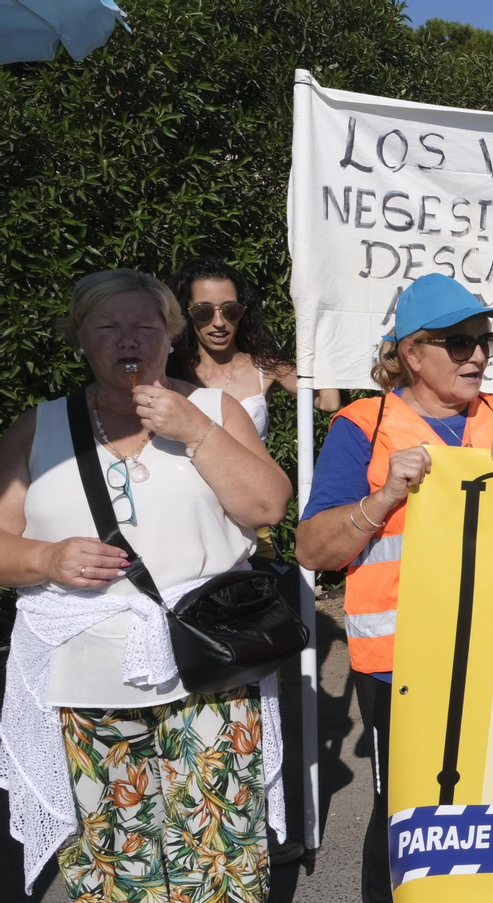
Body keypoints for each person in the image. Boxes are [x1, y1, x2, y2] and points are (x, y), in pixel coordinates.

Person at [0, 269, 293, 901]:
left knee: (218, 847)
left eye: (144, 326)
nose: (127, 339)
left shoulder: (214, 409)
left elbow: (268, 507)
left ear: (170, 334)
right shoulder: (40, 427)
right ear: (81, 338)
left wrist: (195, 431)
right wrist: (47, 558)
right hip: (84, 680)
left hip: (210, 664)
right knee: (114, 855)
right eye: (108, 326)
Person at [295, 273, 493, 903]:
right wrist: (383, 498)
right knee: (406, 819)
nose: (478, 355)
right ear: (412, 352)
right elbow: (314, 548)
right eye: (459, 342)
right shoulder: (363, 427)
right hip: (399, 665)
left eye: (486, 340)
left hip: (490, 657)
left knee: (486, 812)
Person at [168, 256, 342, 445]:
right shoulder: (170, 372)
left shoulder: (265, 367)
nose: (219, 322)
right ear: (186, 313)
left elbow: (328, 402)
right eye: (204, 311)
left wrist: (321, 327)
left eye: (230, 310)